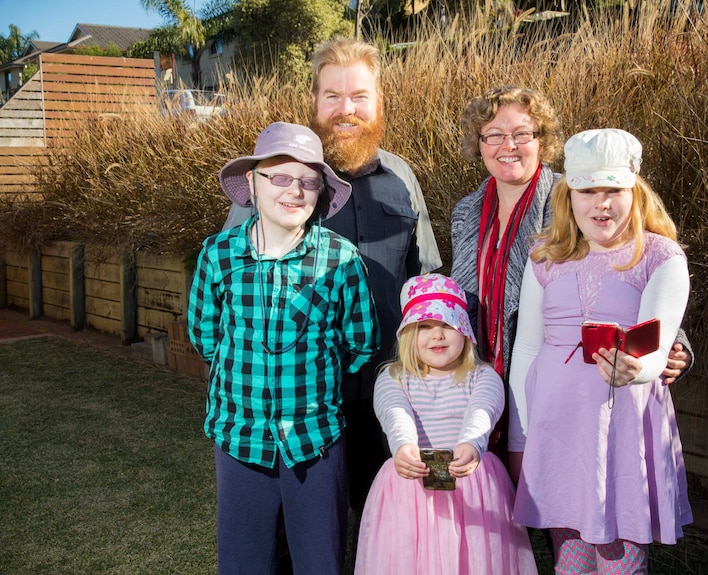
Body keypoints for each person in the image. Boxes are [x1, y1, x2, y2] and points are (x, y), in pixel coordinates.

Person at [224, 38, 442, 516]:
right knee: (299, 536)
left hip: (386, 390)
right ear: (314, 103)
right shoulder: (282, 180)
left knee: (383, 520)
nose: (347, 110)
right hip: (301, 401)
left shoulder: (402, 177)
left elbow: (425, 281)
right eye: (333, 96)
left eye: (360, 96)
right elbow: (232, 284)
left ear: (378, 102)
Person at [450, 86, 692, 462]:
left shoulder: (576, 196)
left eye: (521, 134)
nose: (507, 145)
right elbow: (462, 294)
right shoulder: (466, 212)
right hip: (481, 375)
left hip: (553, 383)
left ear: (542, 141)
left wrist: (674, 346)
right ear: (478, 144)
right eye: (494, 135)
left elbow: (622, 271)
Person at [188, 122, 379, 575]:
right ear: (252, 184)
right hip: (240, 438)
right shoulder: (219, 255)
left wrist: (315, 375)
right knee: (245, 560)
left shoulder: (340, 259)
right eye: (279, 177)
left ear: (319, 194)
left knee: (319, 559)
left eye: (308, 181)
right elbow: (206, 336)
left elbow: (359, 341)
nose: (294, 190)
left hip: (315, 441)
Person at [507, 128, 693, 574]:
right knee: (570, 558)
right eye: (588, 190)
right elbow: (528, 347)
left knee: (618, 557)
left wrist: (638, 370)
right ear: (569, 195)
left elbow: (656, 342)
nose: (600, 203)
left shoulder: (659, 257)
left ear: (636, 191)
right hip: (556, 427)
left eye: (614, 190)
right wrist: (524, 433)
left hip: (621, 428)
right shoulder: (544, 256)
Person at [354, 273, 538, 575]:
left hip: (472, 485)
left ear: (465, 332)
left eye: (447, 325)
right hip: (411, 489)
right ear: (408, 334)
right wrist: (403, 446)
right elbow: (394, 413)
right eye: (424, 327)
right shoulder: (393, 377)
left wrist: (471, 444)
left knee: (474, 559)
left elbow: (483, 411)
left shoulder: (483, 376)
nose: (437, 335)